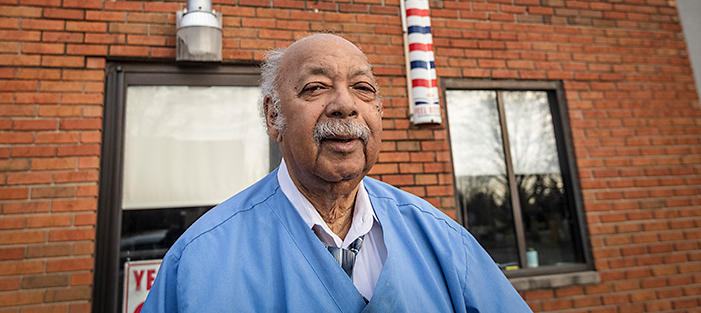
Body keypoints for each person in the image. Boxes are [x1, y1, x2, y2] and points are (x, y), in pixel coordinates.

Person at [142, 33, 532, 312]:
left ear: (379, 112)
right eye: (315, 88)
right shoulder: (200, 261)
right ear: (273, 116)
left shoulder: (442, 242)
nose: (345, 105)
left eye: (362, 88)